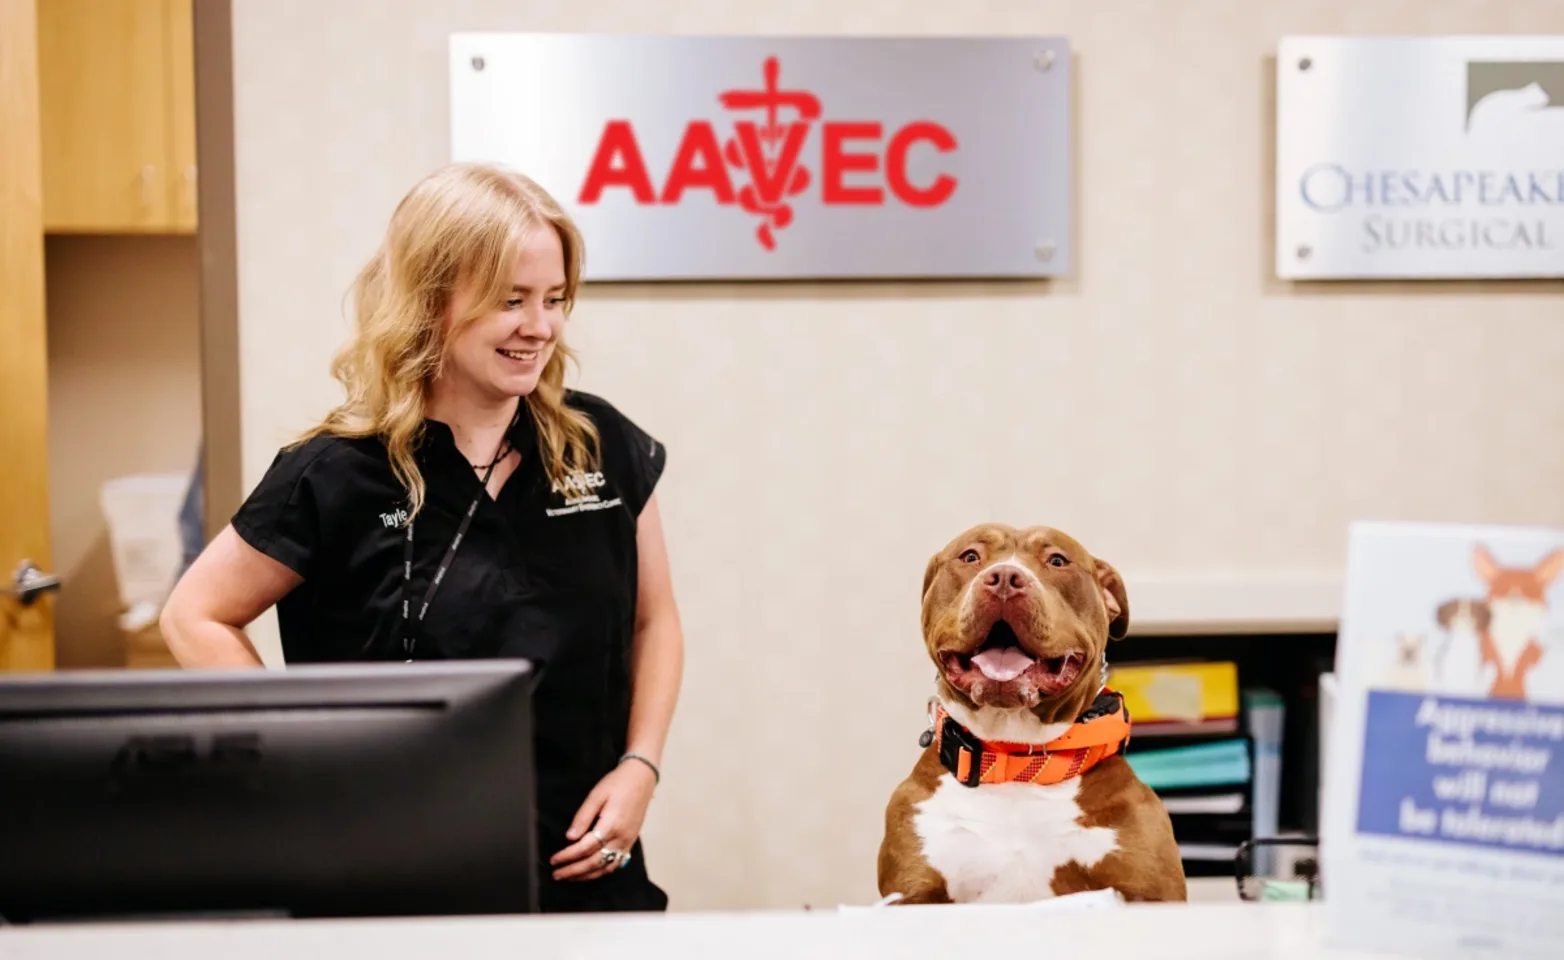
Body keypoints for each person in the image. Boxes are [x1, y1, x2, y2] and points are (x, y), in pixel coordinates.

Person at [159, 162, 684, 914]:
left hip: (585, 871)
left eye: (553, 300)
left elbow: (655, 620)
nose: (538, 327)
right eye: (510, 301)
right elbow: (194, 614)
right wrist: (296, 756)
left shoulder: (600, 446)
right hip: (387, 881)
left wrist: (641, 766)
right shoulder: (337, 471)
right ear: (433, 301)